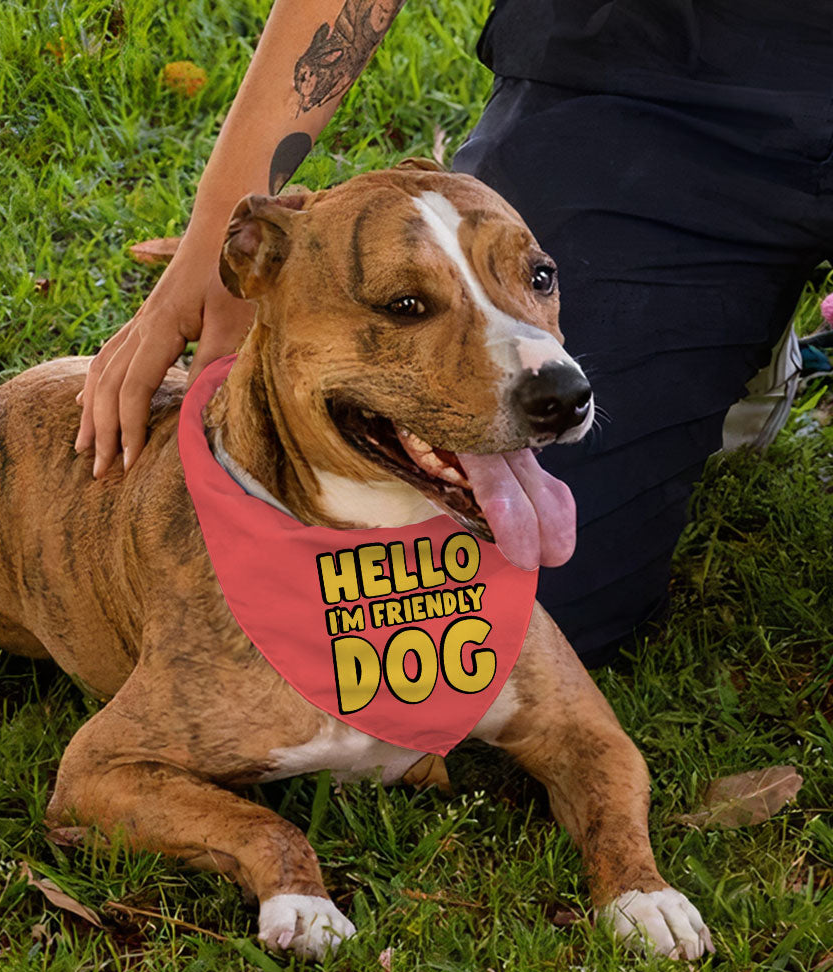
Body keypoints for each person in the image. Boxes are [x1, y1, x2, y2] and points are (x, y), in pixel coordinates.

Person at [74, 0, 833, 665]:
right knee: (494, 609)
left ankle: (735, 327)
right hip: (646, 73)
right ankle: (736, 332)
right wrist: (223, 241)